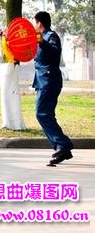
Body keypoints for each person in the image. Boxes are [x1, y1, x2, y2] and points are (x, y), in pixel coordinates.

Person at [32, 11, 74, 166]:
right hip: (43, 81)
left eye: (35, 23)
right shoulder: (39, 39)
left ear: (40, 24)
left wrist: (42, 42)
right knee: (44, 113)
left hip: (50, 80)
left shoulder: (51, 36)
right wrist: (6, 37)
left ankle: (62, 144)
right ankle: (62, 148)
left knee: (42, 113)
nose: (34, 26)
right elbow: (24, 48)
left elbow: (54, 53)